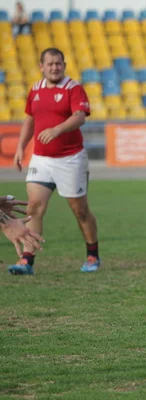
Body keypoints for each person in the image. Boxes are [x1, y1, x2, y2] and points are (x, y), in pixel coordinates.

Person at [9, 48, 98, 275]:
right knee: (34, 207)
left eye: (58, 63)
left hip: (70, 159)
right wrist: (21, 147)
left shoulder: (73, 88)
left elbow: (79, 117)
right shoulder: (35, 90)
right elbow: (30, 119)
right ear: (42, 66)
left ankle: (92, 254)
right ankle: (27, 260)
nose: (54, 67)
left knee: (80, 211)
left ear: (64, 65)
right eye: (50, 64)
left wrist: (57, 130)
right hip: (41, 159)